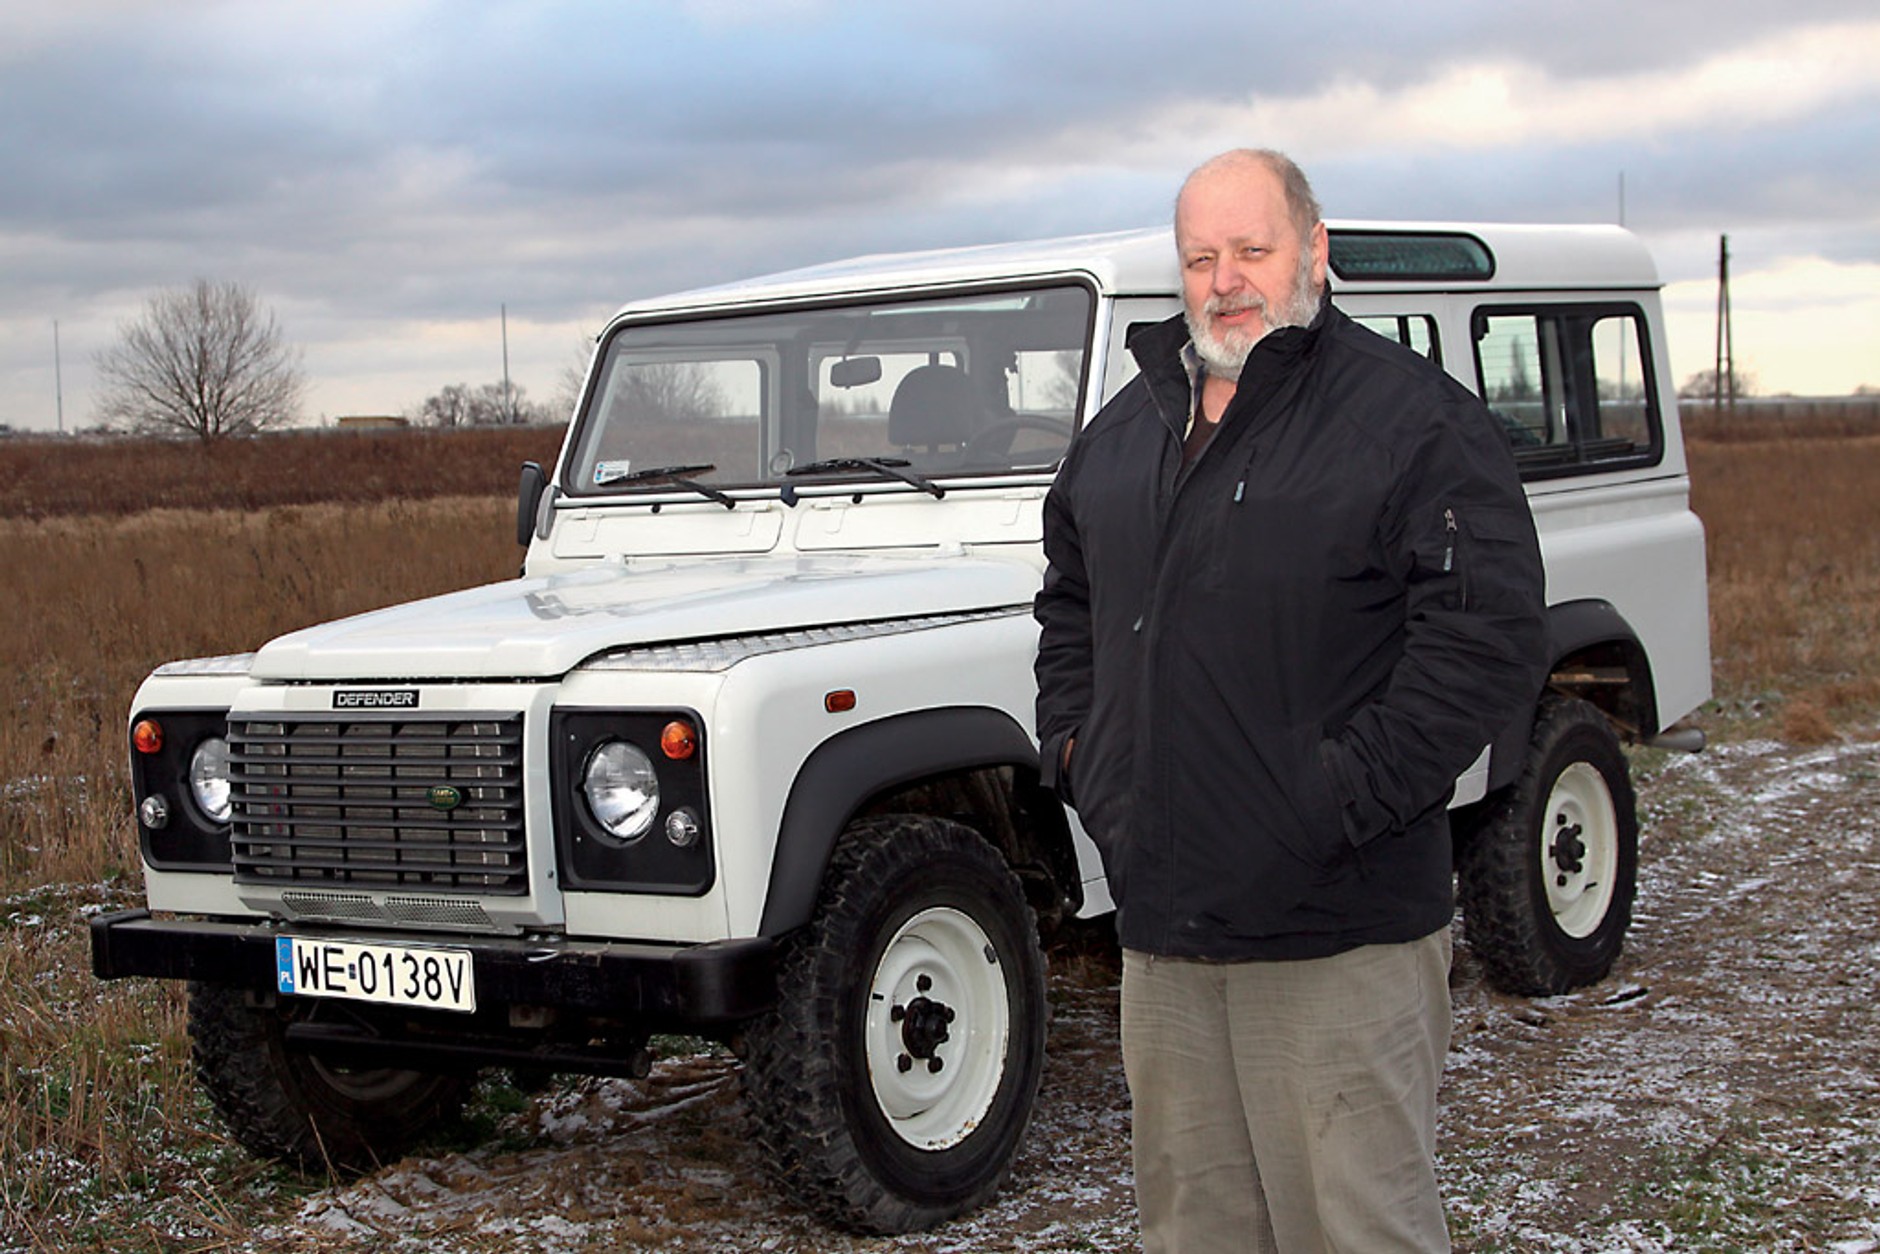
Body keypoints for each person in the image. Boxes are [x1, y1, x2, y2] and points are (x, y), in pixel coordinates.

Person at [1033, 148, 1549, 1252]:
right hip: (1166, 935)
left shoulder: (1409, 423)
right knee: (1194, 1225)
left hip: (1334, 929)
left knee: (1351, 1224)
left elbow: (1483, 635)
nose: (1224, 280)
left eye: (1251, 250)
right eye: (1199, 257)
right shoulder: (1125, 433)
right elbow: (1068, 607)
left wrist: (1326, 803)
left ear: (1312, 251)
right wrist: (1085, 759)